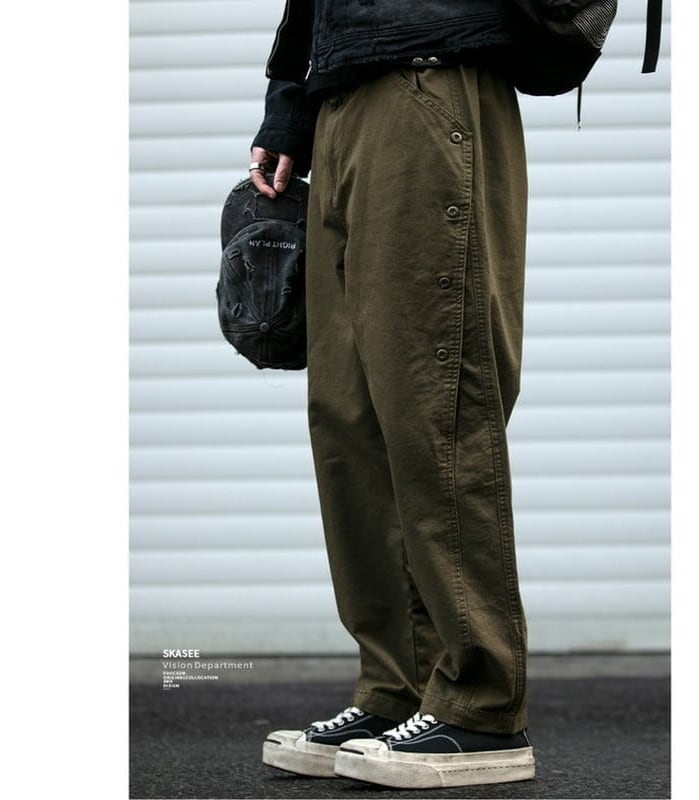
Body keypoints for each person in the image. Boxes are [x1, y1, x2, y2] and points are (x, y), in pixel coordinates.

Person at [251, 0, 533, 789]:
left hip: (429, 83)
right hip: (342, 101)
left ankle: (483, 706)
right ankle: (399, 689)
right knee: (348, 416)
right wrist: (289, 105)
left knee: (434, 405)